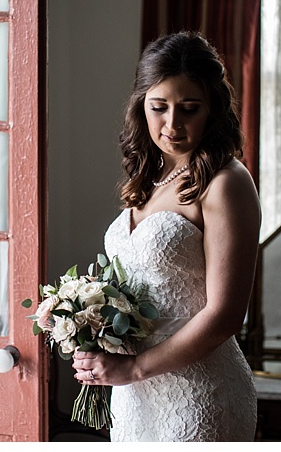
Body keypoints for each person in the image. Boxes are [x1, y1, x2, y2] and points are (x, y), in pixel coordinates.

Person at [72, 31, 261, 441]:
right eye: (159, 107)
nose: (172, 124)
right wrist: (92, 327)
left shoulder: (226, 182)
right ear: (142, 105)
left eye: (189, 109)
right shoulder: (148, 176)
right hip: (134, 396)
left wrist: (134, 367)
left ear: (213, 109)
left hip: (199, 393)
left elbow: (225, 315)